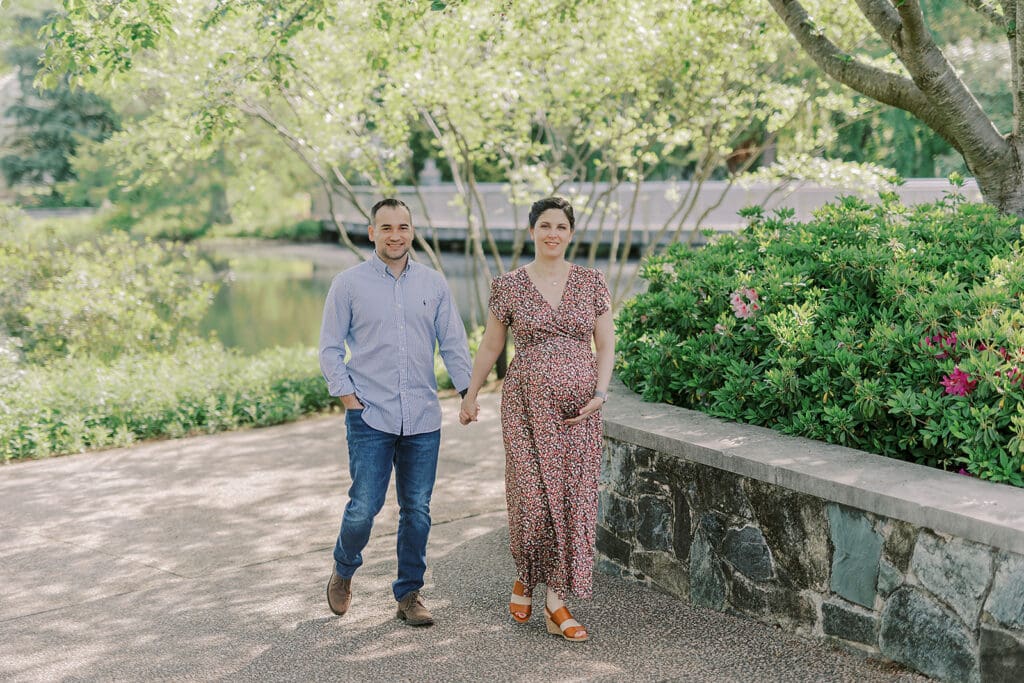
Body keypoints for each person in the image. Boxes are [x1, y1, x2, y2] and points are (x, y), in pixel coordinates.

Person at [459, 196, 614, 642]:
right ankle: (526, 574)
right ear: (532, 231)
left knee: (571, 499)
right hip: (526, 408)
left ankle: (555, 601)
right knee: (531, 497)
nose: (552, 233)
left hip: (579, 412)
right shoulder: (508, 286)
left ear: (570, 233)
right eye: (544, 225)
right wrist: (470, 395)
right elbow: (491, 347)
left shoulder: (591, 282)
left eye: (561, 227)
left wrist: (600, 393)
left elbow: (605, 345)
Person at [319, 197, 472, 626]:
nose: (395, 235)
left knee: (417, 511)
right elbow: (330, 348)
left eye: (402, 227)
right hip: (370, 414)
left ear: (411, 231)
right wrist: (348, 397)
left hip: (422, 417)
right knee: (363, 507)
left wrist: (467, 391)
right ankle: (344, 569)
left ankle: (409, 595)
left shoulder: (434, 284)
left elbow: (453, 344)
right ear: (371, 233)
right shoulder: (347, 284)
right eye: (386, 228)